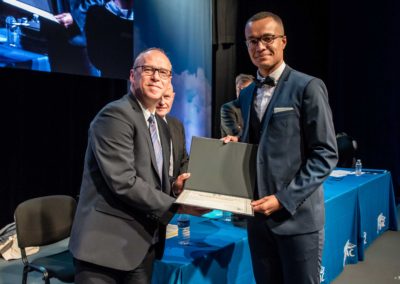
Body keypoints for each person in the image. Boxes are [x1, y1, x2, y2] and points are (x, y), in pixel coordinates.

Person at [69, 48, 207, 284]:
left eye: (163, 72)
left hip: (142, 244)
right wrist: (179, 206)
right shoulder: (115, 116)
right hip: (104, 248)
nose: (156, 77)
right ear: (133, 76)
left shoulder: (160, 124)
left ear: (169, 81)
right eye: (149, 70)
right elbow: (124, 182)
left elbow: (154, 180)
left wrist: (175, 187)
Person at [223, 12, 338, 284]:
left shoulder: (308, 86)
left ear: (283, 41)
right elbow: (258, 143)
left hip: (296, 218)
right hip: (257, 219)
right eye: (252, 41)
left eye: (267, 38)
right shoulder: (248, 93)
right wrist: (235, 145)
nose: (260, 46)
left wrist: (283, 199)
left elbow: (325, 154)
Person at [156, 84, 189, 182]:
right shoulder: (143, 125)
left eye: (166, 97)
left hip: (174, 193)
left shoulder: (177, 125)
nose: (162, 102)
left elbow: (183, 160)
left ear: (173, 97)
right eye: (158, 97)